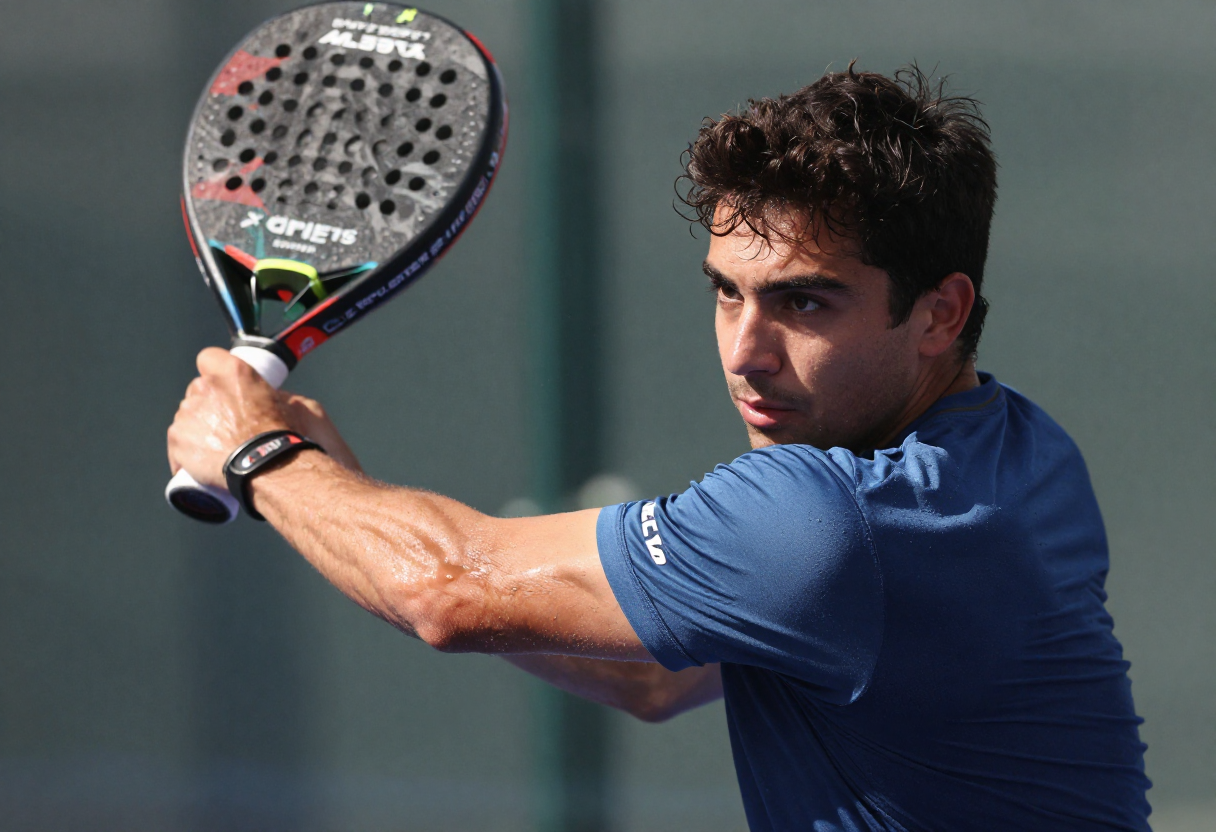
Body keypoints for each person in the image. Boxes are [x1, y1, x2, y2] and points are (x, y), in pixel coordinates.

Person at [167, 65, 1152, 830]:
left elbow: (449, 591)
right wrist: (338, 494)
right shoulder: (1023, 454)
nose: (746, 351)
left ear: (940, 313)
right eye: (727, 291)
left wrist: (259, 457)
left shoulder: (828, 523)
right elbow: (651, 676)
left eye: (805, 303)